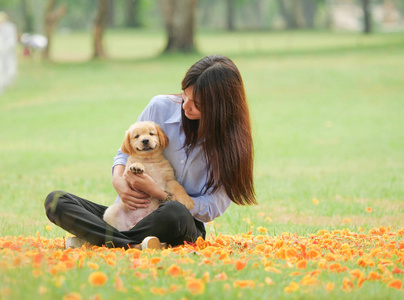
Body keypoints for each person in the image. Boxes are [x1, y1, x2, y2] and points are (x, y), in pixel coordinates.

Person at [44, 55, 257, 250]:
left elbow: (213, 206)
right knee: (57, 201)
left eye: (198, 104)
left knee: (174, 212)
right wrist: (118, 180)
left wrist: (160, 194)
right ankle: (134, 242)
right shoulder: (160, 106)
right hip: (126, 214)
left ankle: (100, 239)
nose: (186, 106)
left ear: (219, 108)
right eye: (185, 95)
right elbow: (124, 151)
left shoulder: (232, 145)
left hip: (176, 222)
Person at [0, 12, 17, 92]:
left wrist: (5, 48)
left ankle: (7, 84)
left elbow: (12, 41)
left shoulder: (10, 27)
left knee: (10, 70)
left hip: (7, 52)